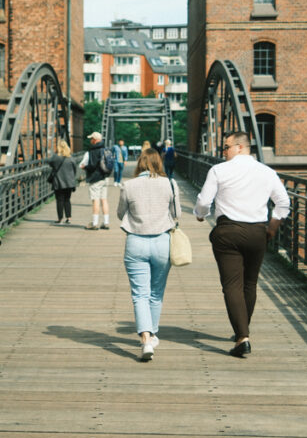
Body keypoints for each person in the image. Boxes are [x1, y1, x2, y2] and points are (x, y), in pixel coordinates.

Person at [194, 131, 290, 358]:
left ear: (239, 147)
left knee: (232, 284)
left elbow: (204, 202)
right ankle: (242, 328)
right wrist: (273, 227)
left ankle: (242, 337)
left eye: (226, 147)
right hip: (257, 231)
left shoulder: (218, 170)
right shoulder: (267, 172)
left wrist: (200, 214)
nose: (223, 152)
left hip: (228, 232)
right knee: (250, 283)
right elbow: (283, 201)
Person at [117, 148, 180, 361]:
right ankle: (152, 335)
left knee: (139, 294)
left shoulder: (129, 185)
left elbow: (120, 213)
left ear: (139, 163)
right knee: (156, 292)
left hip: (135, 241)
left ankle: (145, 339)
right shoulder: (170, 183)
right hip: (162, 241)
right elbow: (177, 214)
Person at [79, 131, 112, 230]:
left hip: (96, 179)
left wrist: (85, 168)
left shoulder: (91, 152)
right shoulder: (106, 150)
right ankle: (106, 222)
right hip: (105, 178)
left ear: (95, 140)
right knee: (104, 200)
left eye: (91, 139)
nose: (90, 140)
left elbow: (89, 165)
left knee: (95, 201)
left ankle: (94, 223)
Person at [47, 139, 79, 224]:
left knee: (59, 200)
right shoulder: (71, 158)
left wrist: (55, 154)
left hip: (58, 182)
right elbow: (75, 170)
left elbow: (49, 162)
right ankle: (68, 218)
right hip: (69, 183)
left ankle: (60, 218)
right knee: (67, 200)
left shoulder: (55, 158)